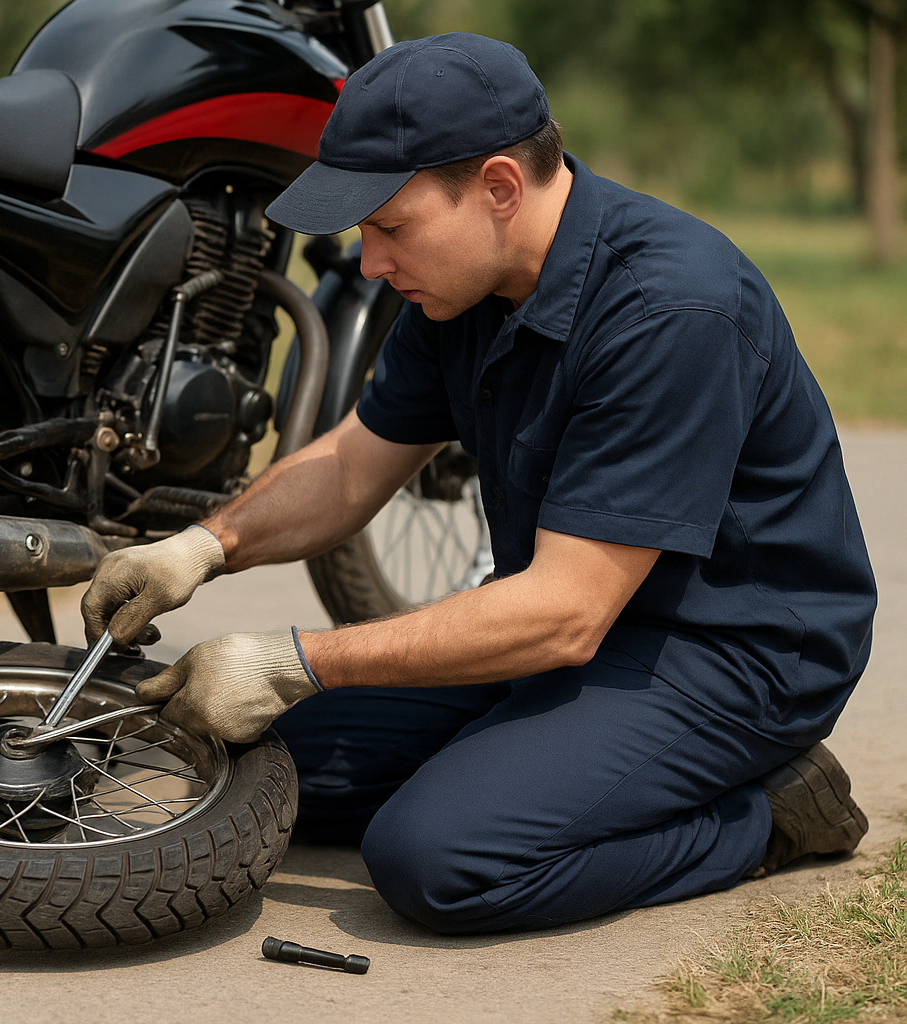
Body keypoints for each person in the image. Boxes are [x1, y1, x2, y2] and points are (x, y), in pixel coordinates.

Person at [80, 32, 876, 935]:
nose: (369, 262)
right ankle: (533, 760)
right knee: (250, 759)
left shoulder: (672, 308)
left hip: (728, 654)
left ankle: (766, 815)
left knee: (437, 859)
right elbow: (352, 465)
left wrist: (295, 660)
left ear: (500, 187)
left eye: (388, 225)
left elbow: (567, 613)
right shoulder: (464, 287)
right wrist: (202, 548)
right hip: (556, 621)